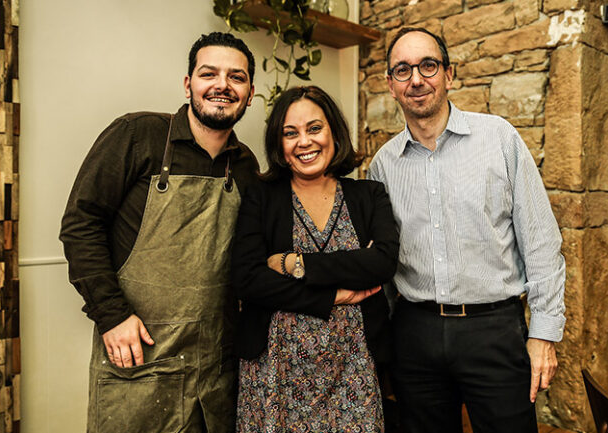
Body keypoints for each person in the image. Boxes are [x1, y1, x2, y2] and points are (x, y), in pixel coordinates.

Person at [367, 27, 566, 433]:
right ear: (390, 85)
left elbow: (541, 242)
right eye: (402, 70)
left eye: (428, 65)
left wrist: (544, 334)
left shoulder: (500, 139)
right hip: (415, 336)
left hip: (494, 331)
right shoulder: (383, 165)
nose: (417, 79)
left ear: (449, 74)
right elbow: (382, 261)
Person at [59, 32, 259, 433]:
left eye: (236, 77)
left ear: (250, 94)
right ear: (188, 85)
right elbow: (81, 224)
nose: (222, 85)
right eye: (209, 74)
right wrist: (112, 316)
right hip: (141, 355)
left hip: (215, 364)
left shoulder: (245, 166)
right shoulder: (137, 135)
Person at [232, 85, 399, 433]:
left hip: (354, 373)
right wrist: (332, 295)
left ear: (334, 132)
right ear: (279, 145)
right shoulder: (261, 198)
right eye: (290, 133)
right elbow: (248, 280)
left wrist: (295, 264)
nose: (304, 141)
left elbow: (382, 262)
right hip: (274, 376)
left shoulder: (369, 195)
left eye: (314, 128)